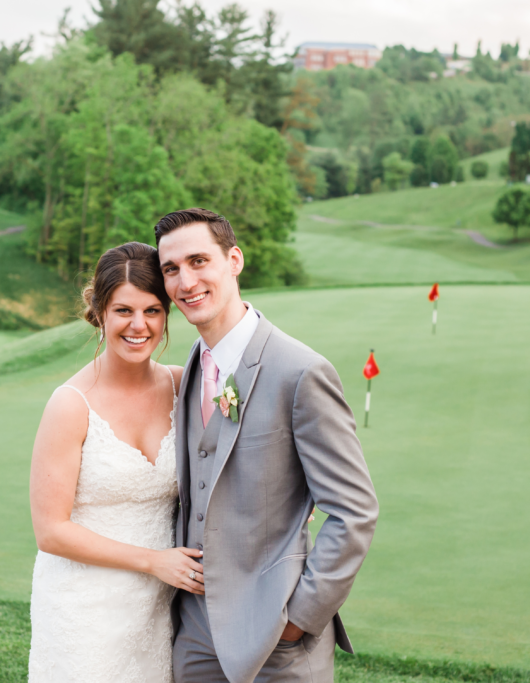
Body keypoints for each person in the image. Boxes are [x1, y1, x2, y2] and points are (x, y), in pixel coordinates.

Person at [156, 208, 380, 683]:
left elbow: (355, 510)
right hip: (194, 634)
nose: (185, 281)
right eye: (171, 269)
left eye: (199, 261)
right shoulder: (192, 365)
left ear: (234, 260)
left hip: (276, 643)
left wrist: (297, 622)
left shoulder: (301, 372)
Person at [28, 242, 205, 682]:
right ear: (100, 312)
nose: (139, 325)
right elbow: (51, 531)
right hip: (83, 607)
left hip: (158, 607)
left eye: (152, 311)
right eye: (124, 310)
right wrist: (154, 561)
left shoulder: (184, 385)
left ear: (167, 314)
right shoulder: (70, 404)